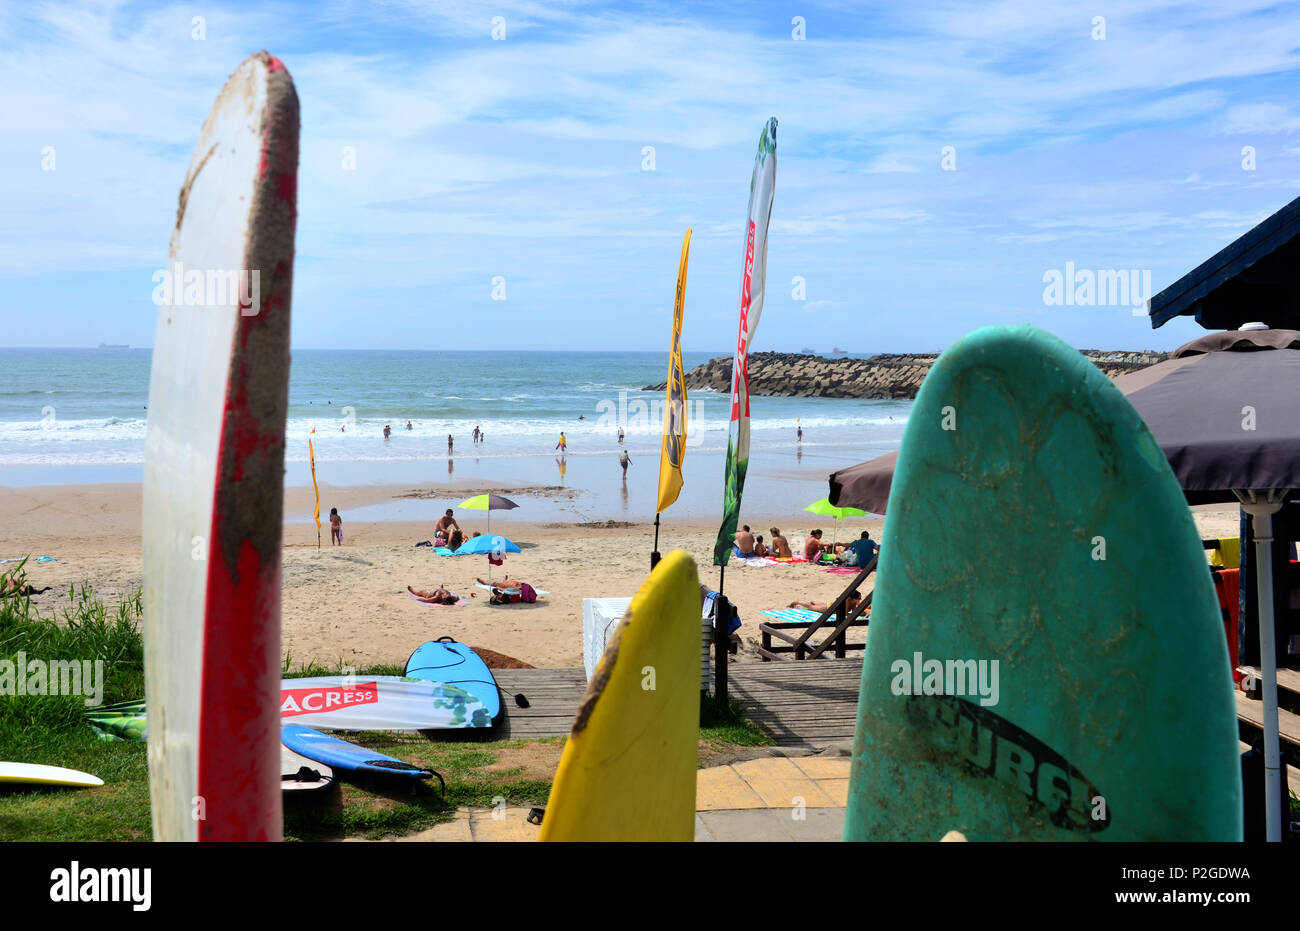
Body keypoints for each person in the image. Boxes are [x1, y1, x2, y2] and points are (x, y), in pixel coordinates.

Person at [789, 589, 862, 615]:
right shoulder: (846, 602)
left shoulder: (853, 602)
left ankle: (814, 602)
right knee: (812, 607)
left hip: (831, 604)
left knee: (817, 604)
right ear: (851, 599)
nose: (860, 600)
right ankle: (798, 602)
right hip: (829, 608)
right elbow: (845, 614)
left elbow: (854, 611)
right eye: (858, 598)